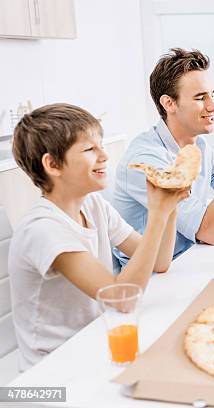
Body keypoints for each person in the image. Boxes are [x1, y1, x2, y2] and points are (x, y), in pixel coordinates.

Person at [8, 104, 187, 370]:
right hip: (52, 371)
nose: (104, 155)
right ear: (53, 164)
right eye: (90, 149)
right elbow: (122, 299)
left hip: (94, 344)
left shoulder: (93, 206)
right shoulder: (42, 228)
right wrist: (157, 215)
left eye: (101, 145)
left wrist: (170, 204)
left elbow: (160, 261)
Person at [114, 48, 214, 263]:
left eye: (212, 95)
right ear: (169, 103)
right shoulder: (145, 161)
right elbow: (209, 233)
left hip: (192, 257)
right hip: (154, 275)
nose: (213, 106)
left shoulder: (199, 146)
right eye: (201, 98)